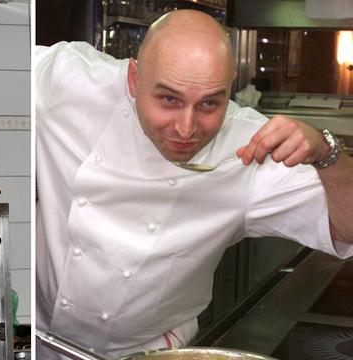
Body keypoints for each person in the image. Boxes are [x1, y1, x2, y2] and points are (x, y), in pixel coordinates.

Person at [35, 9, 353, 359]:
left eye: (209, 103)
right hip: (39, 340)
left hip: (150, 353)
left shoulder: (251, 146)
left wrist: (327, 153)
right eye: (169, 99)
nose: (186, 129)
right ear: (133, 78)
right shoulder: (67, 81)